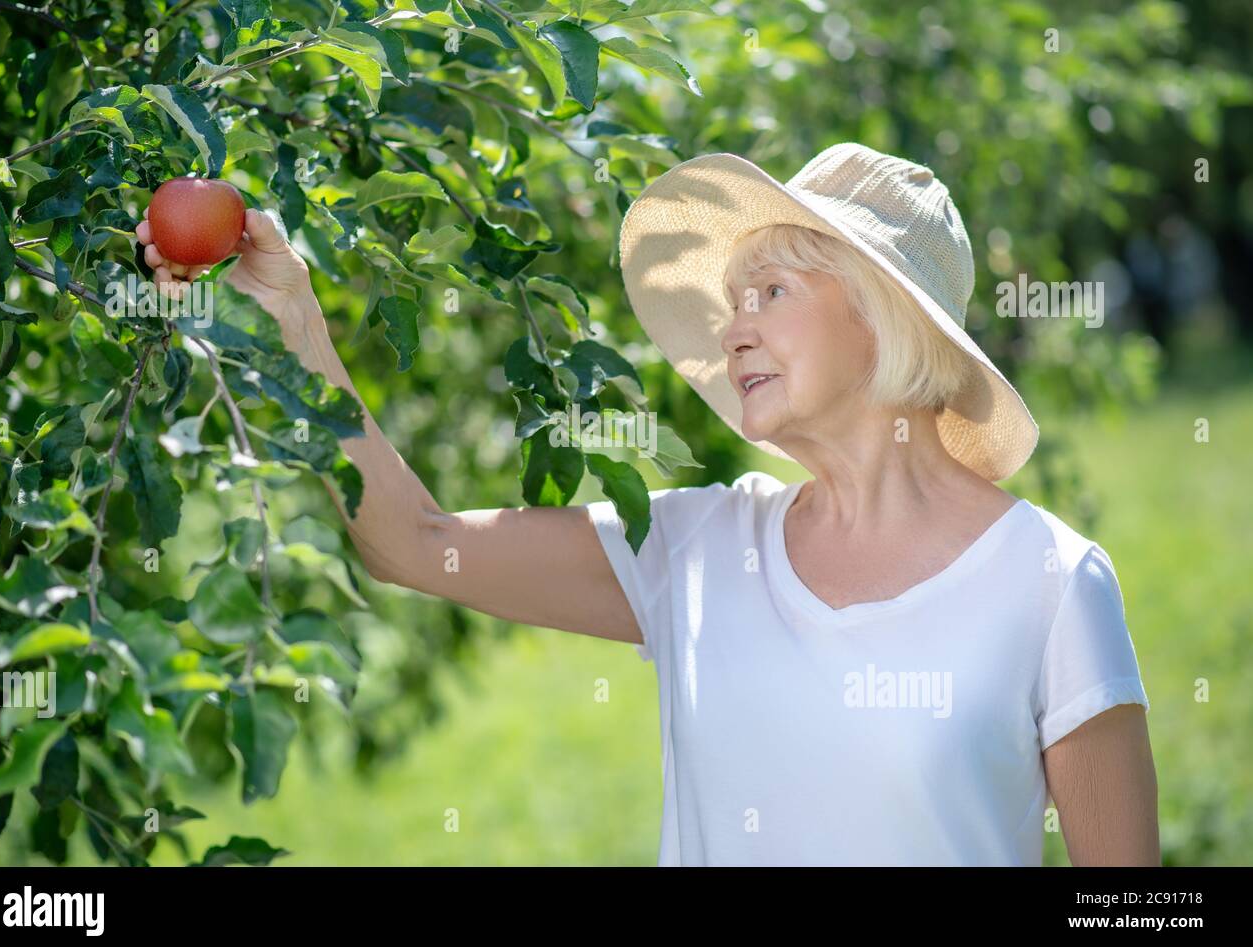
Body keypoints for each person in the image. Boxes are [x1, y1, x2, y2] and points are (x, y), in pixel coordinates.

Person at [136, 141, 1157, 867]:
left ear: (883, 312)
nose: (734, 329)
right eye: (731, 302)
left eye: (771, 292)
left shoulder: (1050, 583)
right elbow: (416, 542)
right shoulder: (700, 549)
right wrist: (295, 318)